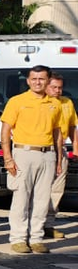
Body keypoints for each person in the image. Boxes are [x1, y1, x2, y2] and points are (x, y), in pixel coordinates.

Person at [1, 64, 64, 254]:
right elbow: (5, 131)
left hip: (47, 154)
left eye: (42, 79)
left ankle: (36, 237)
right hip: (23, 153)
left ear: (47, 80)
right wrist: (8, 159)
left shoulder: (55, 104)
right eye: (34, 79)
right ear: (28, 81)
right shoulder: (17, 101)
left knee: (43, 199)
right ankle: (19, 238)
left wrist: (59, 160)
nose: (38, 82)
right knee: (21, 197)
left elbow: (57, 133)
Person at [44, 75, 77, 239]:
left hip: (61, 149)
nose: (57, 90)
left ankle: (48, 225)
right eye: (54, 87)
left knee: (57, 189)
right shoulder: (41, 103)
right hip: (42, 149)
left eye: (60, 87)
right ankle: (32, 224)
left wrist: (75, 149)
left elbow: (72, 127)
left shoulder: (67, 103)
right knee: (38, 189)